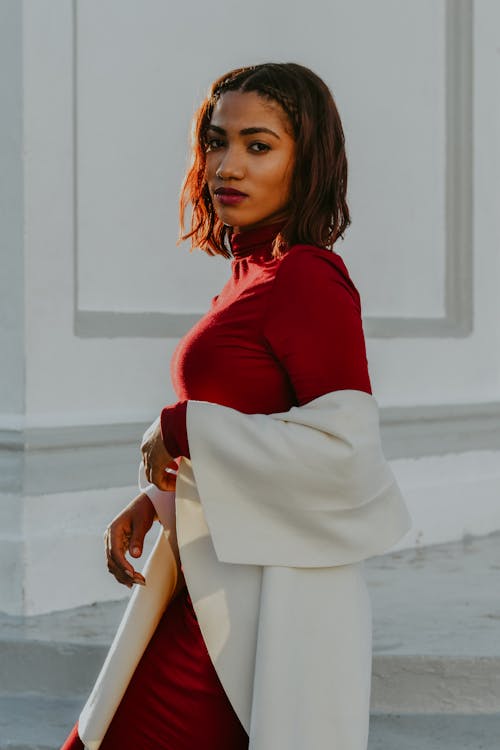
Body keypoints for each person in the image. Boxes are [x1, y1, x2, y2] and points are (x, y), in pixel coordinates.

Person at [61, 62, 411, 750]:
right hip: (207, 588)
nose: (228, 165)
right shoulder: (250, 275)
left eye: (259, 145)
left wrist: (183, 425)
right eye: (217, 142)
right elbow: (255, 427)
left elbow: (345, 452)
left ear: (305, 160)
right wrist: (158, 502)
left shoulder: (307, 278)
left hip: (260, 615)